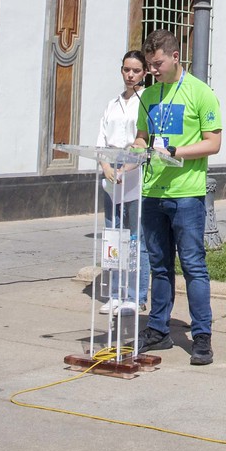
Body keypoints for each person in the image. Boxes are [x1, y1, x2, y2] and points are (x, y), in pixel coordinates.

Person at [136, 29, 223, 366]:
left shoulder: (200, 93)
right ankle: (158, 329)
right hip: (152, 191)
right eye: (149, 65)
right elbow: (141, 138)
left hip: (186, 194)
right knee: (159, 266)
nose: (153, 70)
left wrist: (176, 151)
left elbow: (213, 143)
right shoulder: (150, 95)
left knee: (193, 266)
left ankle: (201, 336)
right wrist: (133, 150)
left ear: (175, 57)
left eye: (157, 64)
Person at [97, 50, 152, 317]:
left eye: (136, 71)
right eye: (126, 70)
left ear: (144, 73)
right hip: (111, 174)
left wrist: (126, 169)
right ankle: (115, 292)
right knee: (113, 234)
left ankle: (136, 294)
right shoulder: (112, 104)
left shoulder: (145, 102)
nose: (130, 75)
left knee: (135, 236)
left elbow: (143, 142)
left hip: (134, 173)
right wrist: (107, 167)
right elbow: (101, 141)